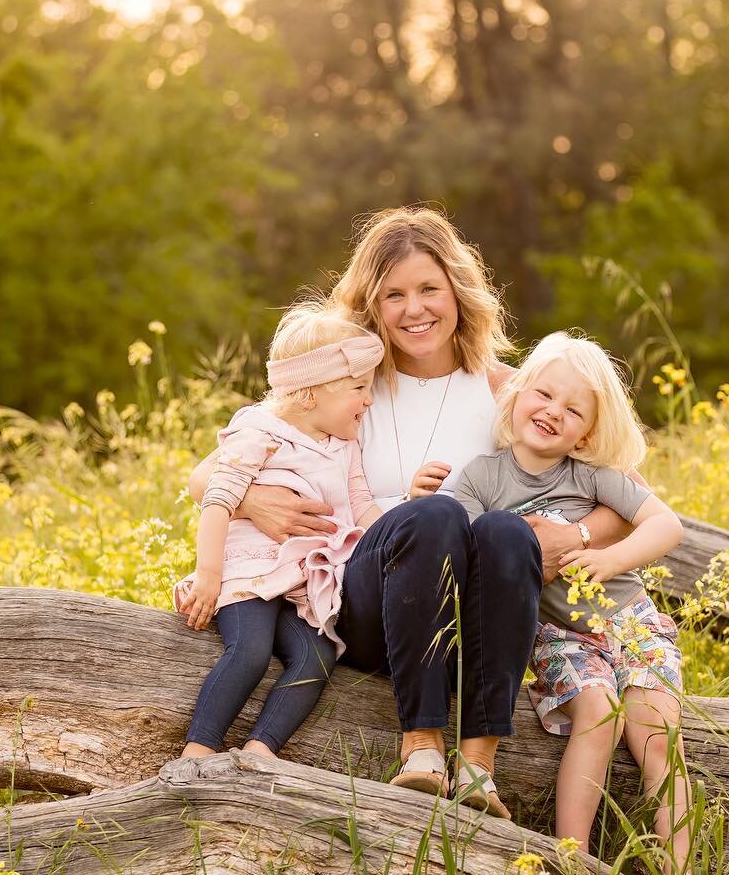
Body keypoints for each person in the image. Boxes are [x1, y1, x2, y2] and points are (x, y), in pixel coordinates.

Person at [189, 207, 640, 820]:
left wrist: (578, 532)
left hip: (479, 617)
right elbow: (209, 471)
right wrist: (249, 498)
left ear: (458, 291)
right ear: (371, 306)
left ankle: (480, 765)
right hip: (370, 609)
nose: (414, 309)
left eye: (430, 289)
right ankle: (421, 748)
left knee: (502, 530)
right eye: (393, 294)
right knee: (434, 517)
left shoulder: (502, 390)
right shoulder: (345, 384)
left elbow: (629, 491)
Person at [449, 331, 693, 875]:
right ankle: (574, 861)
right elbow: (466, 555)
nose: (554, 412)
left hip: (632, 620)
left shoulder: (591, 475)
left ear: (586, 433)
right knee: (598, 716)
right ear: (516, 395)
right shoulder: (480, 478)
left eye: (574, 409)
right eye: (544, 395)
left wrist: (610, 558)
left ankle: (679, 869)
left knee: (658, 737)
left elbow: (666, 524)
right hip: (559, 632)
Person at [176, 302, 385, 760]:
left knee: (317, 659)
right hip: (247, 572)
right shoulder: (259, 431)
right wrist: (208, 574)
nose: (369, 400)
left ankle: (261, 748)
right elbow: (217, 499)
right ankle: (200, 745)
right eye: (359, 388)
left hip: (296, 583)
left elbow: (362, 506)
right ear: (310, 394)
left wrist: (399, 531)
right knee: (249, 652)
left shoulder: (343, 447)